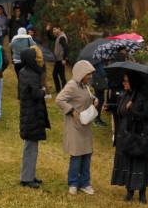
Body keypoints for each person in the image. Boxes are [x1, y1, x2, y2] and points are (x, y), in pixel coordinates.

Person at [54, 60, 97, 195]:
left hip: (85, 124)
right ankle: (73, 183)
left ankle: (85, 183)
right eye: (88, 74)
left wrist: (94, 99)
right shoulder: (72, 85)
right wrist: (72, 111)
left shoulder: (85, 86)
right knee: (77, 154)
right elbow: (59, 99)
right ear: (81, 73)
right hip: (75, 126)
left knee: (86, 154)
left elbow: (86, 98)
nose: (90, 77)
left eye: (91, 74)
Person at [111, 75, 148, 203]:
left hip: (139, 136)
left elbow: (147, 115)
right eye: (123, 81)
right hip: (126, 135)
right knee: (128, 161)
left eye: (126, 81)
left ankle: (142, 193)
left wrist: (133, 109)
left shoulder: (143, 97)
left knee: (139, 162)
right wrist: (112, 107)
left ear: (133, 82)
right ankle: (129, 191)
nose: (123, 83)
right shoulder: (127, 95)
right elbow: (122, 111)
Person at [17, 46, 49, 189]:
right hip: (32, 114)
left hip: (30, 113)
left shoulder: (24, 72)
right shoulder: (31, 74)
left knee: (31, 147)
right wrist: (43, 91)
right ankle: (27, 178)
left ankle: (29, 174)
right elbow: (35, 93)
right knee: (31, 147)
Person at [51, 26, 68, 93]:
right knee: (55, 74)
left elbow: (66, 48)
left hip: (61, 60)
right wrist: (47, 31)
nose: (53, 31)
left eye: (55, 29)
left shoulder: (62, 37)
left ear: (59, 29)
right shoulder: (59, 36)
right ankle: (59, 90)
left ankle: (64, 91)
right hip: (58, 60)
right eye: (53, 30)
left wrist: (64, 59)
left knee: (61, 76)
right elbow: (51, 38)